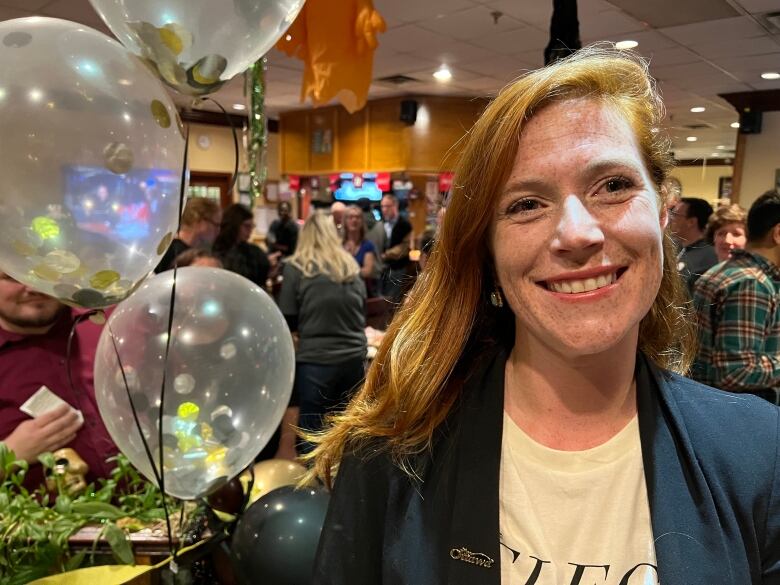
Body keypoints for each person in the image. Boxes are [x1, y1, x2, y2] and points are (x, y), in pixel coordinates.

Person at [308, 47, 779, 584]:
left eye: (613, 186)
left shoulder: (759, 452)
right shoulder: (394, 450)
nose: (577, 233)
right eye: (526, 204)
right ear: (488, 253)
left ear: (663, 211)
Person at [0, 272, 118, 489]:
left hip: (165, 511)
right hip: (52, 520)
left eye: (40, 272)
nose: (33, 287)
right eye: (13, 276)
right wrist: (9, 454)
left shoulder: (109, 323)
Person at [277, 212, 367, 458]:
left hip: (316, 361)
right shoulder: (349, 265)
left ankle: (317, 487)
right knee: (348, 428)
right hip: (353, 360)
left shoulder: (296, 268)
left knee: (313, 432)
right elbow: (361, 309)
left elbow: (288, 317)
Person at [692, 190, 780, 404]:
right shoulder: (752, 283)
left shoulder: (724, 270)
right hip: (731, 415)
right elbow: (737, 372)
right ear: (778, 233)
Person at [154, 197, 222, 273]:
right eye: (216, 224)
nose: (218, 230)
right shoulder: (176, 252)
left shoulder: (169, 246)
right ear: (200, 220)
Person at [213, 204, 270, 287]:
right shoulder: (218, 249)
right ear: (234, 225)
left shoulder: (251, 250)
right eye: (246, 226)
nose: (250, 230)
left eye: (252, 226)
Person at [669, 197, 718, 292]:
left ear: (691, 222)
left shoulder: (710, 256)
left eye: (675, 215)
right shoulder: (675, 247)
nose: (670, 219)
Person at [370, 193, 412, 303]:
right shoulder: (380, 224)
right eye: (382, 206)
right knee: (381, 299)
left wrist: (385, 255)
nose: (384, 209)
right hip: (381, 268)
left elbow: (405, 247)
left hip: (397, 268)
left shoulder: (405, 225)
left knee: (392, 301)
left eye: (387, 206)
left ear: (395, 206)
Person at [343, 205, 377, 294]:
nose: (354, 220)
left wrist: (344, 273)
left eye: (357, 217)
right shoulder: (339, 245)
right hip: (341, 291)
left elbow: (367, 271)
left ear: (362, 221)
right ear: (345, 221)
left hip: (362, 291)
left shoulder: (367, 245)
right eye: (350, 217)